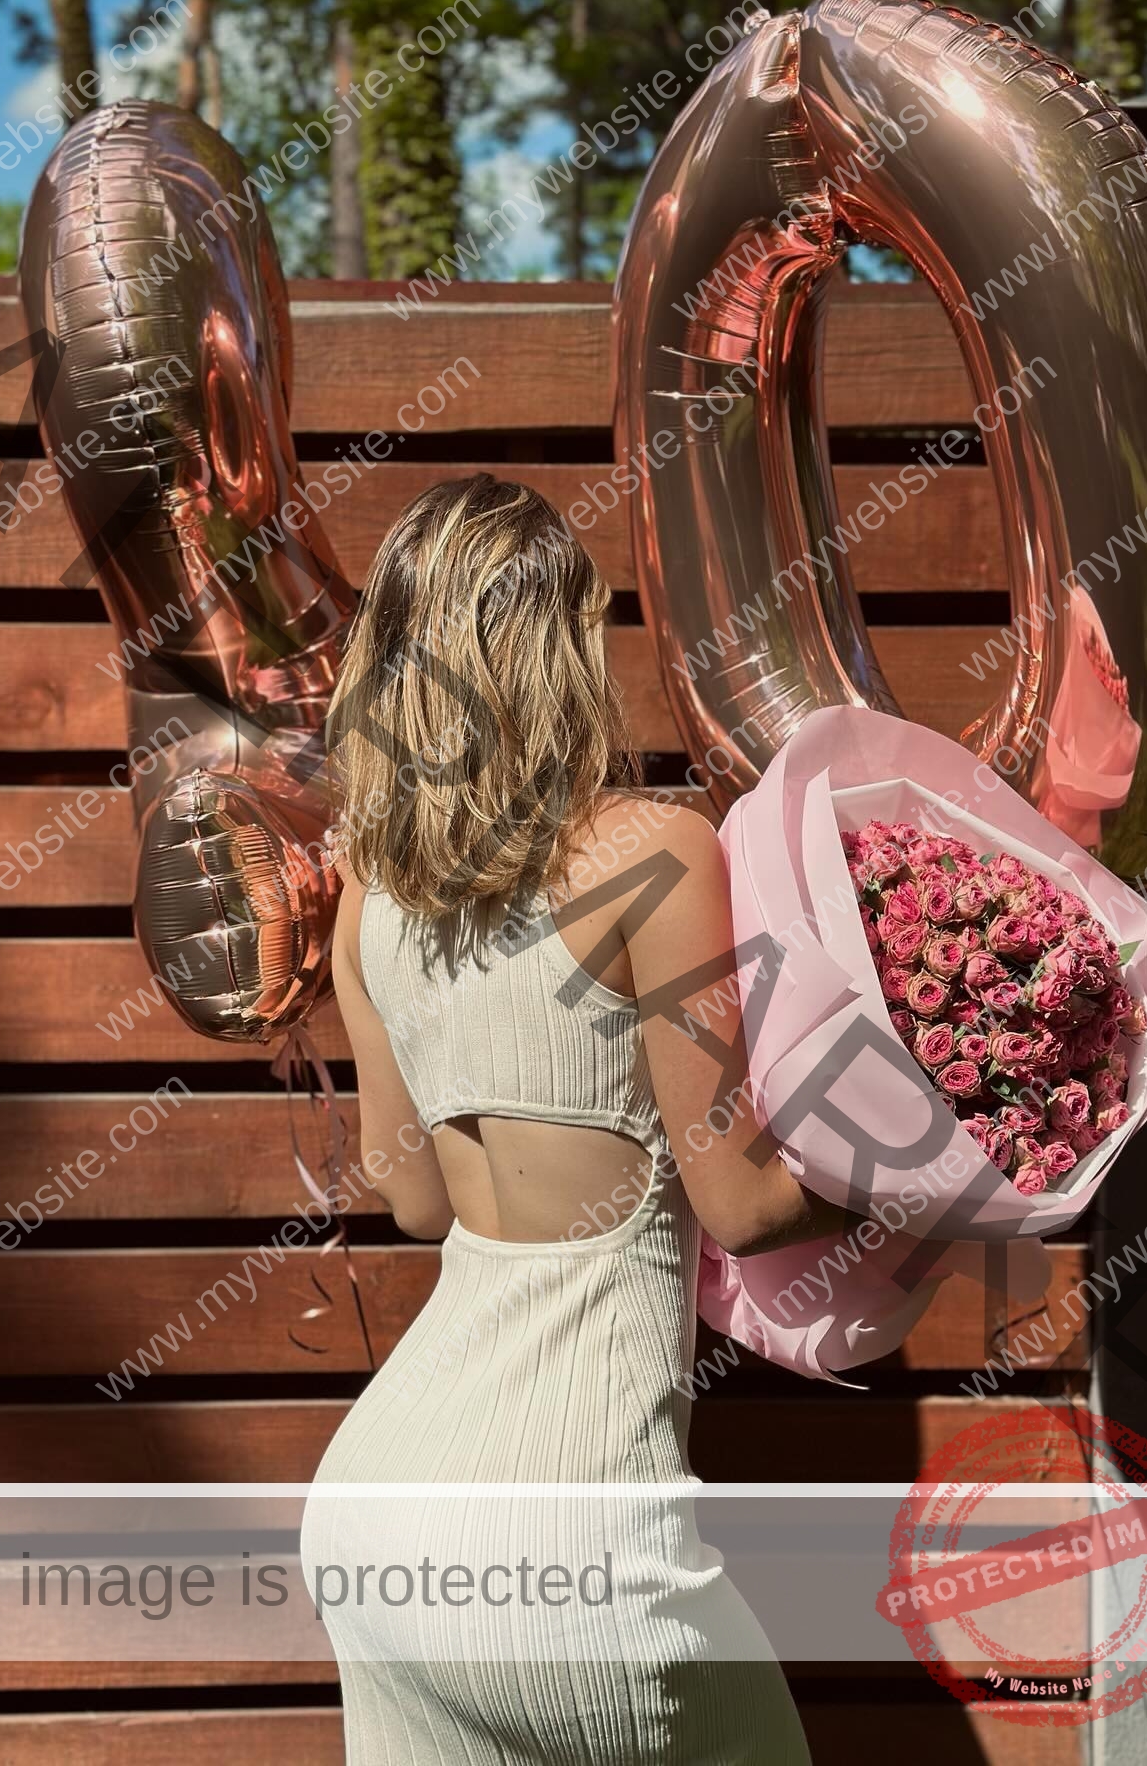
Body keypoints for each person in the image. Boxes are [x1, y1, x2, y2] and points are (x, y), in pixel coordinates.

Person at [300, 473, 847, 1763]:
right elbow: (746, 1202)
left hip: (378, 1507)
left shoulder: (369, 900)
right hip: (567, 1535)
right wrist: (933, 1166)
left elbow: (417, 1195)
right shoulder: (656, 855)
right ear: (563, 648)